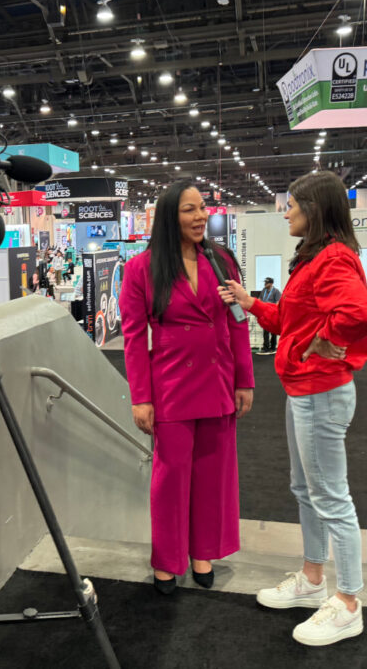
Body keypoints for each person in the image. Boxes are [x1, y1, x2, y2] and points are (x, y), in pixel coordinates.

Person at [219, 171, 367, 647]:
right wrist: (251, 304)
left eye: (291, 204)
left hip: (320, 391)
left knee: (331, 496)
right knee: (306, 490)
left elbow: (358, 315)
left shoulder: (332, 259)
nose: (285, 211)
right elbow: (291, 319)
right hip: (306, 390)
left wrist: (323, 345)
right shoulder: (314, 259)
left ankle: (348, 602)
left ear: (315, 209)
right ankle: (313, 579)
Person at [120, 180, 254, 595]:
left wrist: (244, 378)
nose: (200, 217)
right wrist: (141, 397)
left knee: (212, 476)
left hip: (217, 382)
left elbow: (236, 321)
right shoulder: (141, 268)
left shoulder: (223, 262)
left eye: (203, 209)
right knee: (170, 478)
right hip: (171, 387)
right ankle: (167, 559)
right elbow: (132, 337)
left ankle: (203, 553)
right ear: (169, 217)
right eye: (189, 210)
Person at [257, 278, 282, 354]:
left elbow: (278, 303)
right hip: (264, 313)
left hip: (272, 314)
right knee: (265, 331)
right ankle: (266, 348)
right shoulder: (264, 290)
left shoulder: (276, 291)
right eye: (265, 282)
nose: (265, 284)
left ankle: (273, 348)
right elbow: (260, 299)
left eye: (267, 283)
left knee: (273, 332)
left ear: (271, 283)